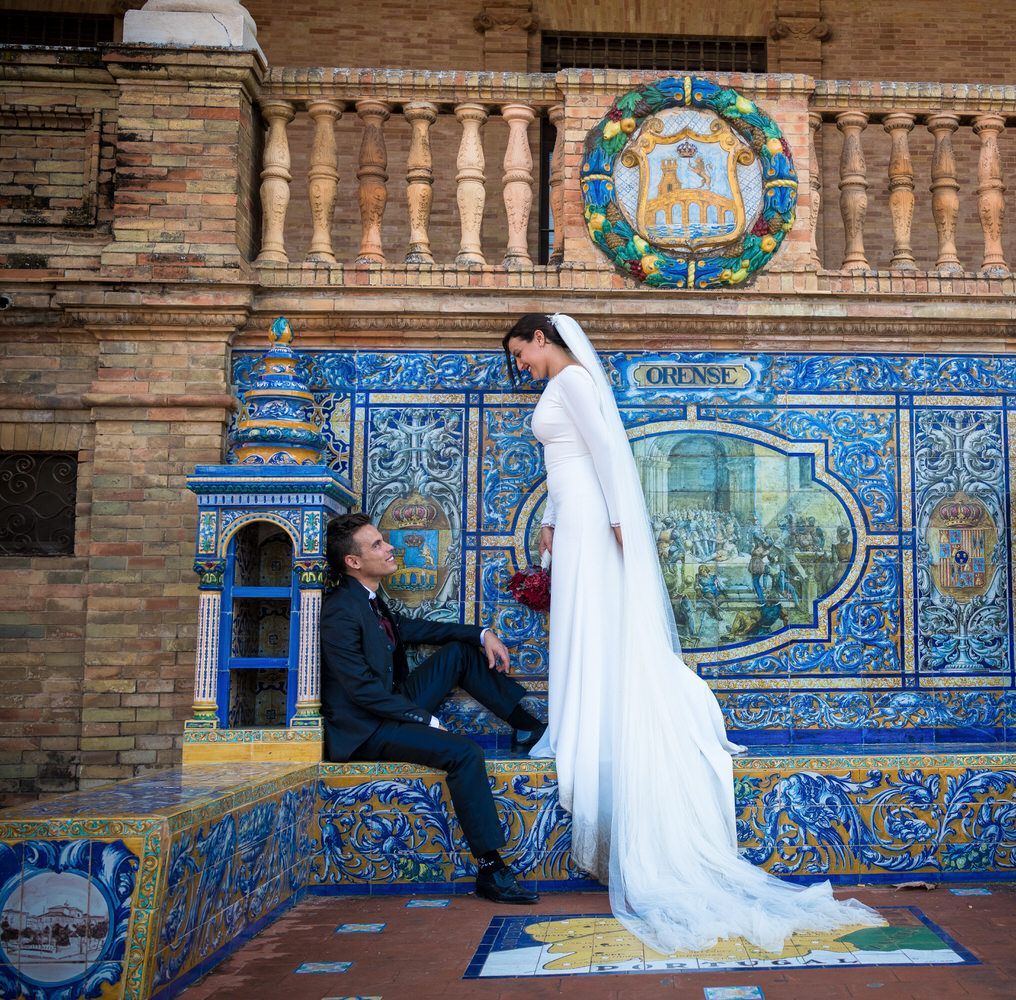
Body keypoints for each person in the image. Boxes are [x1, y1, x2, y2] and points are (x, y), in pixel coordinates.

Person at [502, 312, 883, 955]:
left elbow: (604, 454)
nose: (520, 366)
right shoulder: (562, 386)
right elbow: (565, 466)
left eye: (521, 353)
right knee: (580, 627)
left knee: (594, 625)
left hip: (595, 520)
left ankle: (581, 728)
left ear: (543, 338)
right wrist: (549, 521)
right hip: (573, 517)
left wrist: (620, 526)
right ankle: (575, 725)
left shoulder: (571, 383)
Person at [320, 511, 547, 905]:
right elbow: (359, 691)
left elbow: (414, 630)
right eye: (377, 545)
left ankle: (528, 727)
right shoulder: (341, 610)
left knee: (458, 653)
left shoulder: (369, 600)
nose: (390, 547)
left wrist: (481, 633)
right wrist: (423, 718)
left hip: (390, 708)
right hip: (366, 728)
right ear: (353, 562)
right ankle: (492, 868)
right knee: (463, 753)